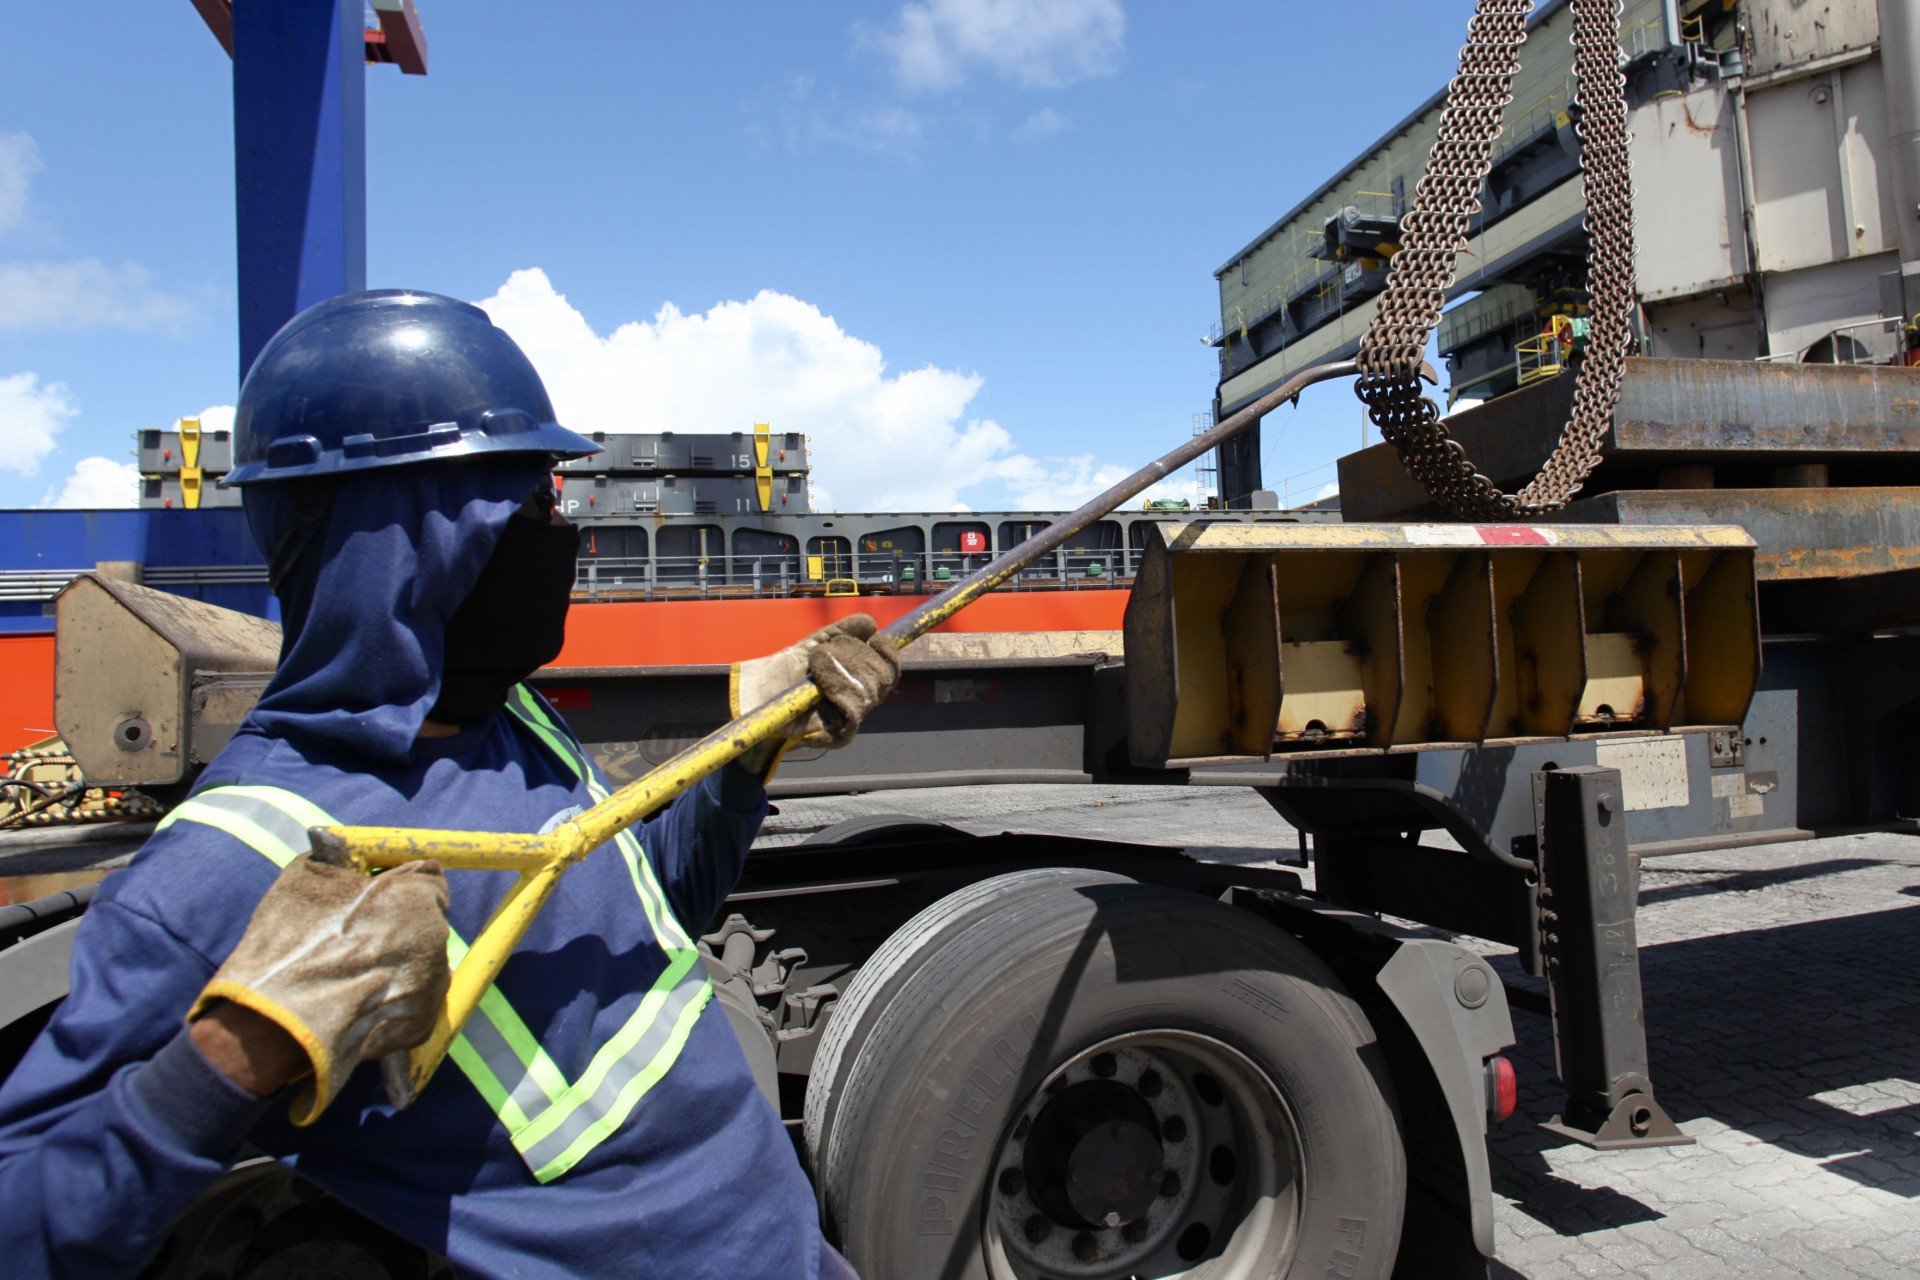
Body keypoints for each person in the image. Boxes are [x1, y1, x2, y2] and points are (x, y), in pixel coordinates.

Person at [0, 290, 899, 1279]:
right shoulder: (231, 865)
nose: (559, 538)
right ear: (398, 539)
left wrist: (746, 752)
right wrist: (236, 1051)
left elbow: (641, 922)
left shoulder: (506, 718)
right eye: (523, 508)